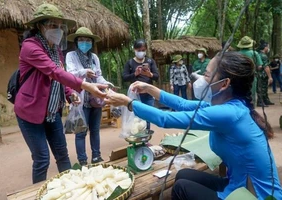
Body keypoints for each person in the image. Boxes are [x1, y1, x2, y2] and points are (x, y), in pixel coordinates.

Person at [105, 51, 282, 200]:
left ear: (225, 83)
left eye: (207, 74)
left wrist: (128, 103)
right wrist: (150, 89)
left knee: (181, 187)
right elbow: (182, 104)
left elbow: (165, 119)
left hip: (253, 196)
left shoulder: (228, 114)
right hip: (237, 184)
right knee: (183, 175)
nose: (201, 79)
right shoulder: (229, 107)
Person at [15, 3, 107, 184]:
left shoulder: (56, 50)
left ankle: (70, 190)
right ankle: (37, 194)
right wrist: (86, 86)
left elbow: (58, 78)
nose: (57, 30)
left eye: (60, 26)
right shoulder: (30, 47)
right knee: (42, 160)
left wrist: (69, 92)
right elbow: (54, 72)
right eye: (52, 26)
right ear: (39, 27)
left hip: (52, 112)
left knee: (63, 156)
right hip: (30, 112)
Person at [66, 27, 112, 166]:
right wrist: (84, 72)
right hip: (80, 98)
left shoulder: (94, 57)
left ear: (92, 42)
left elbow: (99, 76)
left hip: (95, 98)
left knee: (95, 130)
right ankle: (82, 160)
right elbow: (70, 75)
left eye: (87, 40)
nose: (84, 42)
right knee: (80, 132)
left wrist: (106, 83)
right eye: (81, 40)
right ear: (76, 41)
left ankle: (96, 156)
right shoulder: (71, 56)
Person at [122, 39, 159, 130]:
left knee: (148, 117)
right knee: (136, 119)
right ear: (134, 50)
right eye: (139, 50)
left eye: (143, 50)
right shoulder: (130, 63)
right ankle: (139, 139)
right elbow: (124, 77)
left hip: (149, 95)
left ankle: (146, 139)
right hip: (135, 95)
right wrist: (135, 74)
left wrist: (149, 74)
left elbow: (156, 76)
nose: (141, 52)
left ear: (146, 50)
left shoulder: (150, 61)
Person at [237, 36, 263, 106]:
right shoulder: (254, 53)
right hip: (251, 76)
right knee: (252, 93)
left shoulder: (237, 54)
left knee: (240, 93)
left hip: (239, 76)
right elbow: (260, 66)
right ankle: (252, 108)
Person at [257, 40, 274, 106]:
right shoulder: (263, 56)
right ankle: (260, 102)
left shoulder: (259, 54)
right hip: (262, 75)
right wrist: (270, 77)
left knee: (264, 88)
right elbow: (266, 67)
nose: (268, 48)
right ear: (265, 48)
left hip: (261, 75)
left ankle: (265, 100)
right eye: (268, 47)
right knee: (262, 88)